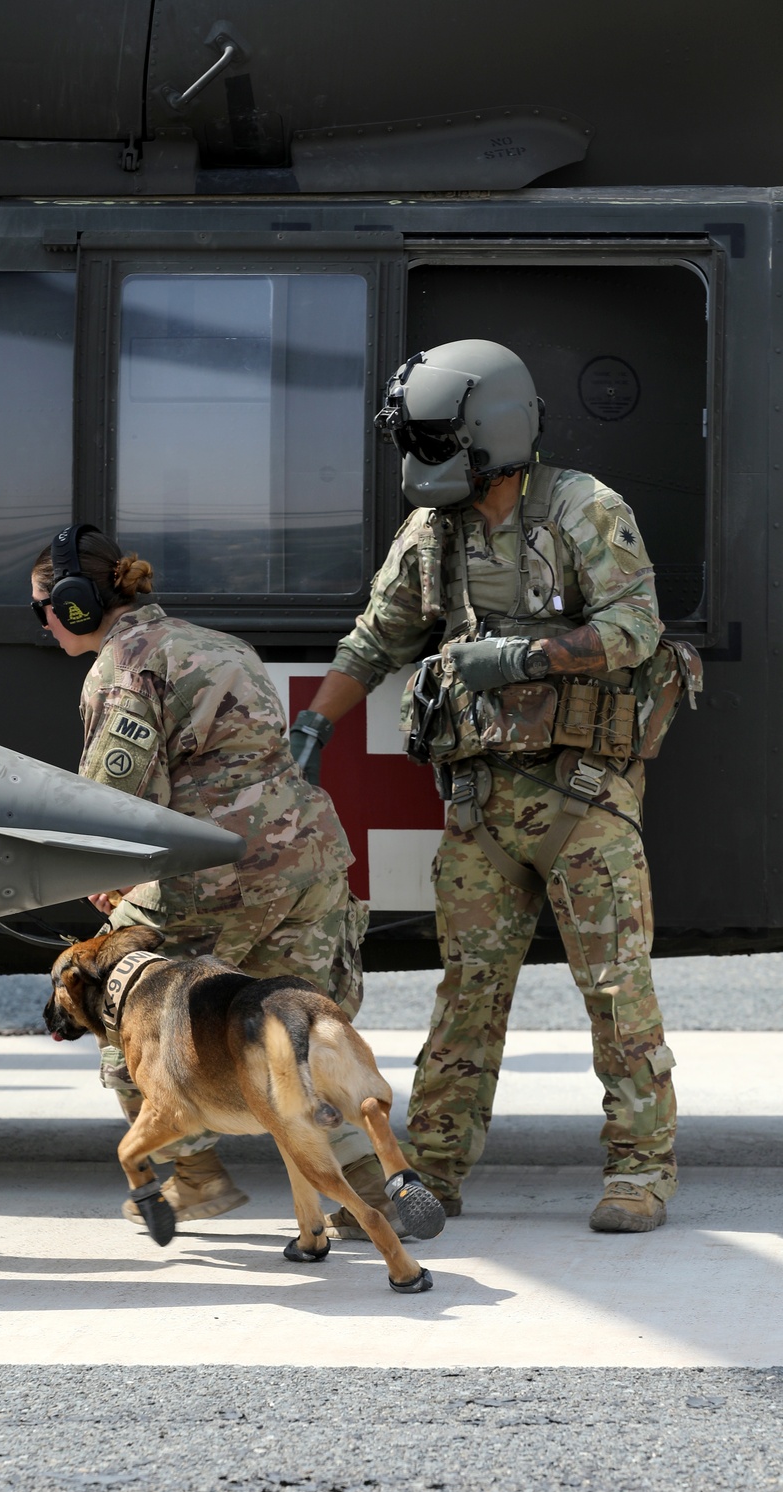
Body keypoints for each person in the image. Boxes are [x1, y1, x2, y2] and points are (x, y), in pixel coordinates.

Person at [291, 339, 699, 1235]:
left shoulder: (585, 511)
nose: (426, 464)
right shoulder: (433, 531)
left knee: (615, 990)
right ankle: (431, 1172)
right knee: (466, 995)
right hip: (479, 806)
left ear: (494, 436)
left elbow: (635, 630)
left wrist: (523, 654)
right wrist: (317, 721)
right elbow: (376, 639)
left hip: (583, 797)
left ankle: (640, 1171)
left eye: (442, 444)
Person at [31, 523, 398, 1238]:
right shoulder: (223, 644)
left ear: (76, 604)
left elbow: (112, 804)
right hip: (310, 864)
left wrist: (98, 879)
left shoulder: (124, 666)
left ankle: (194, 1177)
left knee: (116, 1005)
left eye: (42, 606)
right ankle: (370, 1191)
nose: (42, 623)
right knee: (301, 1032)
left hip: (217, 876)